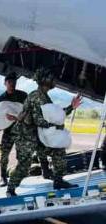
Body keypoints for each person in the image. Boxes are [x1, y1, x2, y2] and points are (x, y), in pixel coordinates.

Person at [6, 67, 82, 196]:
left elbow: (54, 115)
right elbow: (39, 120)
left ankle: (58, 181)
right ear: (45, 80)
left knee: (58, 151)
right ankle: (11, 189)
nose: (54, 81)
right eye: (51, 78)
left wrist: (71, 107)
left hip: (37, 135)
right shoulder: (38, 97)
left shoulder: (44, 96)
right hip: (26, 136)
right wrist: (57, 126)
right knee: (24, 165)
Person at [0, 72, 27, 186]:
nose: (12, 84)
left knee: (22, 156)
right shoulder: (1, 98)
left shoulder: (23, 96)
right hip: (8, 132)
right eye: (9, 82)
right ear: (5, 83)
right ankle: (3, 177)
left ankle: (18, 177)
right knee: (4, 155)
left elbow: (28, 112)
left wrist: (17, 118)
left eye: (14, 82)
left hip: (21, 131)